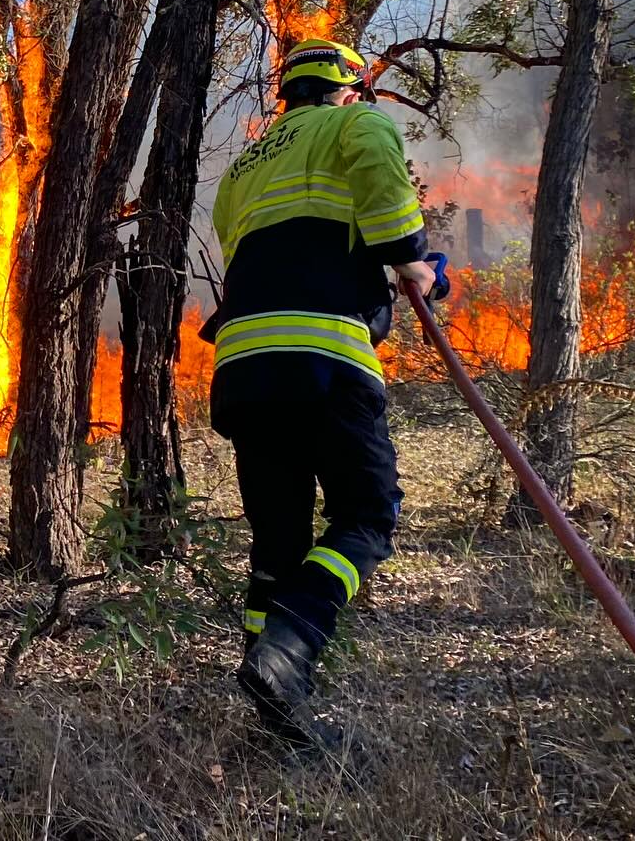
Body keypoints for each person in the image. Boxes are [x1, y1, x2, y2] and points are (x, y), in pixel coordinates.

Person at [200, 37, 437, 746]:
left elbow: (266, 245)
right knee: (368, 513)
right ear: (347, 86)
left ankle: (271, 697)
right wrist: (412, 263)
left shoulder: (243, 167)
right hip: (325, 354)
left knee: (277, 540)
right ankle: (292, 644)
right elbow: (383, 204)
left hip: (243, 366)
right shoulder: (358, 123)